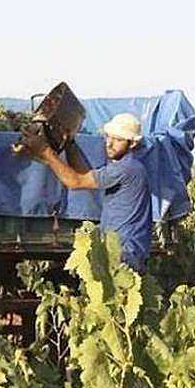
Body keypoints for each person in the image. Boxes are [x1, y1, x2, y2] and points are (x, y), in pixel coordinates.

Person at [32, 112, 152, 271]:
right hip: (119, 248)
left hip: (125, 251)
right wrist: (69, 144)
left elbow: (75, 182)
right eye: (108, 137)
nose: (109, 144)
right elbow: (84, 175)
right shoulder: (124, 166)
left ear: (132, 144)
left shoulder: (126, 168)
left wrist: (46, 152)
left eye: (118, 140)